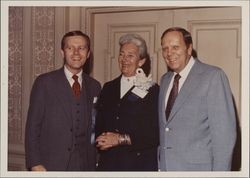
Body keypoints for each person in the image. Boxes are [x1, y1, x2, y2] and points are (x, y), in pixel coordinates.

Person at [158, 27, 236, 171]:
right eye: (165, 48)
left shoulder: (213, 76)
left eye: (175, 47)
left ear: (189, 49)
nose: (169, 53)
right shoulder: (165, 80)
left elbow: (224, 138)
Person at [25, 30, 101, 171]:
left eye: (82, 48)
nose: (76, 53)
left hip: (86, 165)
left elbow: (94, 127)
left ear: (88, 54)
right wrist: (35, 163)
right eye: (70, 48)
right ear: (62, 52)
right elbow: (32, 127)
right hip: (51, 164)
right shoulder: (45, 83)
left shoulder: (95, 86)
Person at [95, 34, 159, 171]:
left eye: (130, 55)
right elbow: (99, 125)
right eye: (121, 54)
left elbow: (155, 134)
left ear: (141, 61)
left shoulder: (152, 90)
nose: (124, 59)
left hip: (139, 165)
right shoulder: (108, 88)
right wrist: (101, 141)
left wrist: (120, 139)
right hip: (109, 164)